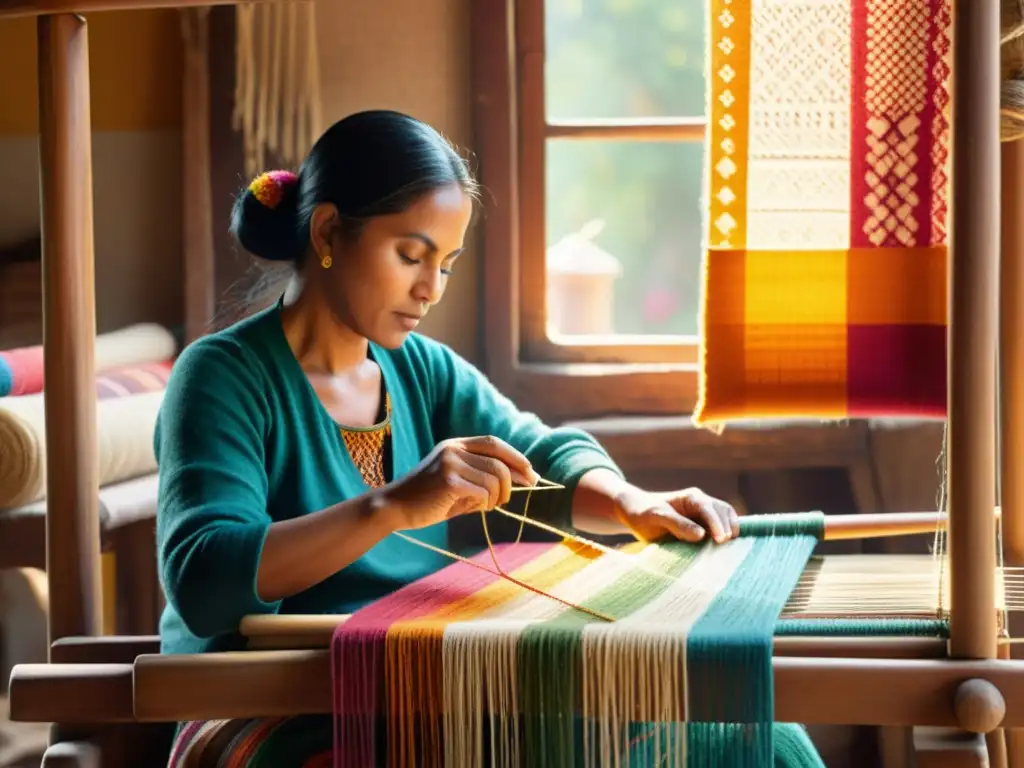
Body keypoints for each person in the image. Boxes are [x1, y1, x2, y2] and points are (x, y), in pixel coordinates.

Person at [156, 109, 821, 767]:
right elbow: (206, 579)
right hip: (274, 703)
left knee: (762, 741)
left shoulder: (421, 368)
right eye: (410, 254)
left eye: (445, 264)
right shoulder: (221, 377)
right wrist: (393, 505)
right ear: (328, 229)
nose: (430, 289)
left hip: (416, 688)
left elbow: (541, 456)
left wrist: (627, 504)